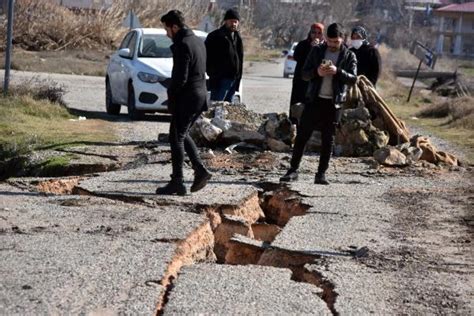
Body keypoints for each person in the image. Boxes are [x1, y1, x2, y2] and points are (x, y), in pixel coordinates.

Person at [280, 23, 357, 185]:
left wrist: (338, 71)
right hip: (314, 100)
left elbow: (353, 79)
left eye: (336, 42)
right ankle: (293, 170)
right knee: (302, 136)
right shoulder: (317, 51)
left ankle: (321, 174)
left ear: (342, 40)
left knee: (328, 139)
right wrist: (317, 72)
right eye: (329, 41)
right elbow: (304, 74)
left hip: (334, 103)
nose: (332, 45)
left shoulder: (349, 56)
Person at [156, 10, 212, 196]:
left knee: (176, 137)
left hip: (188, 97)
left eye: (167, 29)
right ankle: (199, 171)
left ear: (175, 27)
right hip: (199, 95)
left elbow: (181, 78)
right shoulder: (197, 41)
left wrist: (171, 95)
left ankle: (178, 182)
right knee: (181, 134)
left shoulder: (183, 44)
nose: (166, 34)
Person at [205, 8, 244, 102]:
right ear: (225, 21)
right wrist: (213, 73)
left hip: (233, 79)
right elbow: (206, 56)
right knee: (217, 106)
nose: (233, 24)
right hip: (219, 80)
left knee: (227, 109)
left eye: (235, 22)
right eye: (231, 21)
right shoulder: (215, 36)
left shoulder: (237, 37)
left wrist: (238, 76)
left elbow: (239, 58)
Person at [289, 22, 325, 120]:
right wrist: (311, 48)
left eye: (319, 33)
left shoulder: (325, 47)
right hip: (301, 82)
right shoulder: (302, 44)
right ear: (310, 33)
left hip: (316, 82)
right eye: (314, 32)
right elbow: (297, 57)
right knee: (297, 107)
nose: (316, 35)